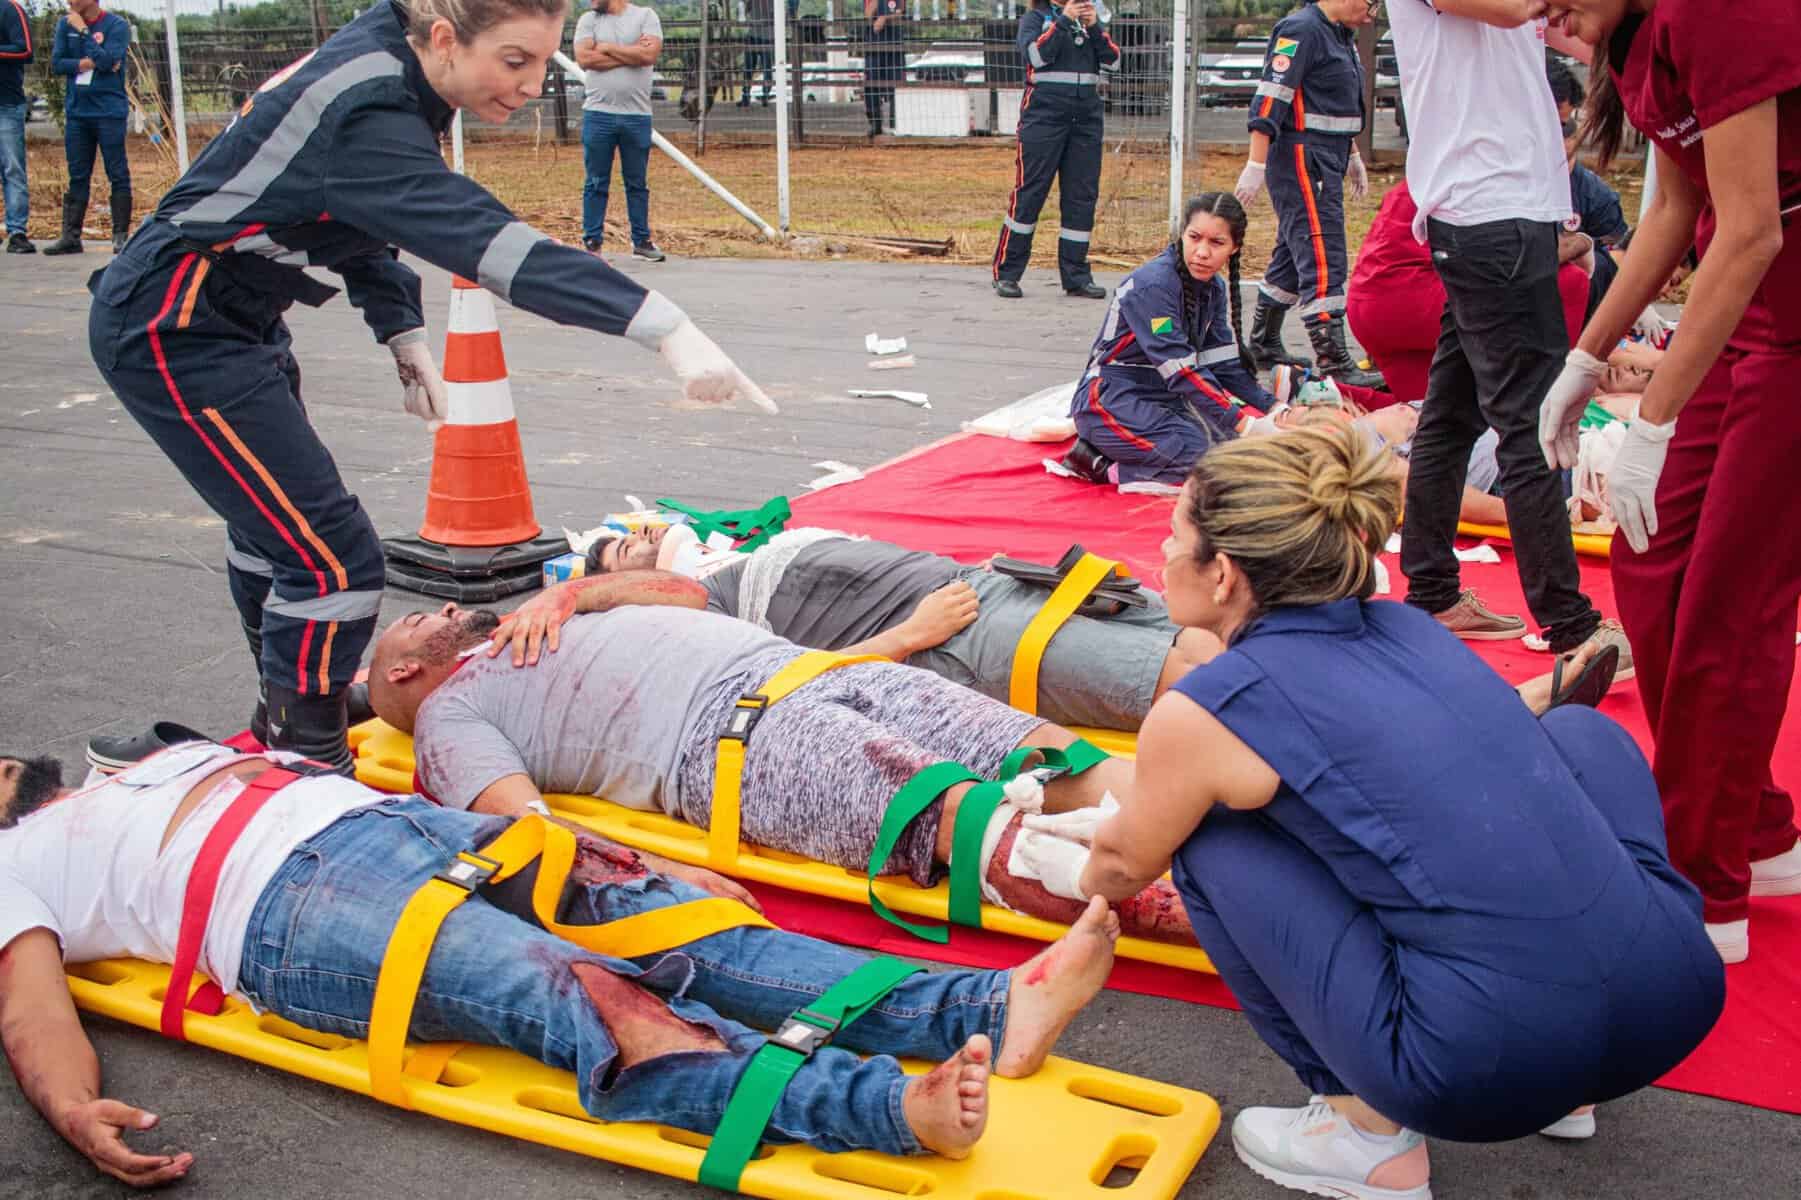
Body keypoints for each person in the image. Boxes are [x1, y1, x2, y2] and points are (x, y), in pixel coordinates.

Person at [85, 0, 769, 774]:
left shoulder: (394, 57)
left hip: (228, 312)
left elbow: (344, 210)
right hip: (173, 328)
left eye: (546, 62)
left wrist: (401, 332)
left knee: (276, 538)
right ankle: (308, 760)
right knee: (330, 561)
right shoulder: (370, 105)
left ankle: (288, 706)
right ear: (444, 38)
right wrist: (660, 325)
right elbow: (485, 241)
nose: (533, 85)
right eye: (515, 61)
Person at [1058, 425, 1723, 1199]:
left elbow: (1120, 865)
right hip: (1674, 998)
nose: (1162, 554)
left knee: (1208, 842)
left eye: (1174, 538)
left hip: (1485, 1067)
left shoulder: (1213, 708)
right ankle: (1574, 1087)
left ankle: (1360, 1134)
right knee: (1575, 731)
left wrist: (1063, 859)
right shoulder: (1408, 628)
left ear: (1223, 576)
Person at [0, 742, 1122, 1187]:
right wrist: (72, 1106)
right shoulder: (14, 864)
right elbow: (29, 1004)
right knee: (583, 991)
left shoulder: (129, 766)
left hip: (410, 826)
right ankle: (883, 1110)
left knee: (673, 922)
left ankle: (987, 1007)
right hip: (291, 910)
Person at [366, 569, 1199, 944]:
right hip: (731, 739)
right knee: (962, 818)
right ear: (404, 670)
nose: (442, 604)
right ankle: (1219, 910)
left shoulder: (542, 621)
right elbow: (524, 827)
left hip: (812, 668)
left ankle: (1237, 822)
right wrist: (659, 875)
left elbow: (687, 592)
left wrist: (572, 591)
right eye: (416, 622)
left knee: (1049, 758)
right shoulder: (450, 714)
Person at [1538, 0, 1801, 963]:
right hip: (1758, 315)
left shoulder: (1717, 10)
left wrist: (1651, 421)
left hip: (1781, 307)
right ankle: (1757, 828)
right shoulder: (1641, 38)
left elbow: (1752, 233)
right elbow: (1677, 212)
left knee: (1731, 604)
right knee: (1649, 564)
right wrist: (1583, 359)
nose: (1539, 10)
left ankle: (1702, 888)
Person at [1386, 0, 1626, 667]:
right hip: (1487, 216)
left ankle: (1431, 587)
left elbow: (1570, 27)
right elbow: (1517, 7)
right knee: (1530, 425)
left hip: (1497, 214)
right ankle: (1570, 626)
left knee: (1450, 417)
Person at [586, 522, 1221, 731]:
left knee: (1211, 633)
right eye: (618, 552)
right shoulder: (708, 612)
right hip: (967, 639)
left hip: (998, 582)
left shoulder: (740, 549)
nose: (632, 537)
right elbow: (789, 684)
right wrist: (910, 636)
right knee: (1190, 686)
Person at [1060, 193, 1276, 487]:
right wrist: (1246, 423)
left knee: (1234, 458)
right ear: (1181, 235)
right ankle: (1096, 464)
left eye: (1217, 243)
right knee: (1206, 468)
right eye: (1195, 237)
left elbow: (1224, 365)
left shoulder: (1214, 287)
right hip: (1111, 397)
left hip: (1165, 398)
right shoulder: (1153, 285)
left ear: (1234, 248)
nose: (1201, 252)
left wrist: (1275, 409)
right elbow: (1181, 371)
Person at [1234, 0, 1384, 390]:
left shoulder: (1341, 35)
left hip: (1330, 152)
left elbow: (1337, 102)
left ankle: (1264, 341)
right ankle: (1333, 360)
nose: (1373, 15)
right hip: (1303, 156)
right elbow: (1271, 96)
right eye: (1372, 4)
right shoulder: (1300, 30)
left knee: (1291, 251)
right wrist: (1256, 164)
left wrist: (1352, 154)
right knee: (1321, 249)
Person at [1346, 180, 1594, 406]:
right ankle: (1548, 397)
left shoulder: (1437, 161)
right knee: (1569, 281)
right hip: (1415, 300)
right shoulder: (1492, 171)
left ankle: (1322, 394)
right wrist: (1582, 243)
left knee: (1425, 414)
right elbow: (1520, 260)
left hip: (1369, 304)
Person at [990, 0, 1118, 300]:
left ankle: (1076, 277)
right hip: (1044, 117)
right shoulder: (1035, 19)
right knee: (1030, 192)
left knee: (1081, 196)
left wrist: (1094, 27)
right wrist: (1062, 23)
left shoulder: (1090, 23)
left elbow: (1113, 61)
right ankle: (1007, 273)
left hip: (1085, 120)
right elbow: (1036, 56)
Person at [573, 0, 666, 261]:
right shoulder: (588, 20)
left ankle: (641, 240)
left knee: (637, 182)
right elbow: (584, 59)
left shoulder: (646, 16)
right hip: (597, 114)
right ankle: (592, 242)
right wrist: (631, 53)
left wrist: (607, 48)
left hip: (637, 116)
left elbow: (648, 56)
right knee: (595, 180)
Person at [42, 0, 130, 256]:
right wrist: (87, 63)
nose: (70, 2)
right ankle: (70, 236)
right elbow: (58, 63)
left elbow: (108, 60)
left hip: (108, 111)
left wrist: (84, 32)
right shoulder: (64, 24)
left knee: (117, 170)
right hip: (78, 112)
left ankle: (120, 235)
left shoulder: (116, 25)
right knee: (78, 173)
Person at [1547, 55, 1629, 318]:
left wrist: (1584, 250)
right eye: (1555, 126)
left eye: (1565, 128)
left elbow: (1620, 254)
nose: (1558, 138)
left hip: (1571, 318)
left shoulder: (1595, 196)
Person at [0, 0, 33, 254]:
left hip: (6, 105)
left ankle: (17, 232)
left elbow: (25, 50)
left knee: (13, 168)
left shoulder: (10, 9)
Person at [862, 0, 904, 137]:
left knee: (896, 84)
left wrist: (885, 18)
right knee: (871, 85)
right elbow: (867, 15)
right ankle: (875, 123)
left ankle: (896, 124)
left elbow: (901, 12)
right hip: (874, 46)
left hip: (894, 46)